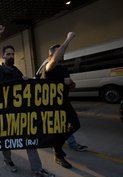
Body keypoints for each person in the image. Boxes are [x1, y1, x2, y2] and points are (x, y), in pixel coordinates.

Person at [0, 25, 55, 177]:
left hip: (20, 114)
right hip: (4, 116)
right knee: (6, 142)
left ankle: (37, 170)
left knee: (29, 141)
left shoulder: (17, 72)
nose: (11, 56)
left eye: (13, 54)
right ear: (2, 56)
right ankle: (8, 161)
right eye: (8, 54)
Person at [42, 32, 81, 168]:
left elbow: (73, 86)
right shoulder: (48, 68)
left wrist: (71, 84)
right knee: (58, 129)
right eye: (58, 52)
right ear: (51, 55)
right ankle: (59, 155)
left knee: (75, 124)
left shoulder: (64, 69)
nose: (62, 53)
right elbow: (54, 60)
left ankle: (56, 143)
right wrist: (68, 39)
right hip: (53, 106)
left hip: (65, 103)